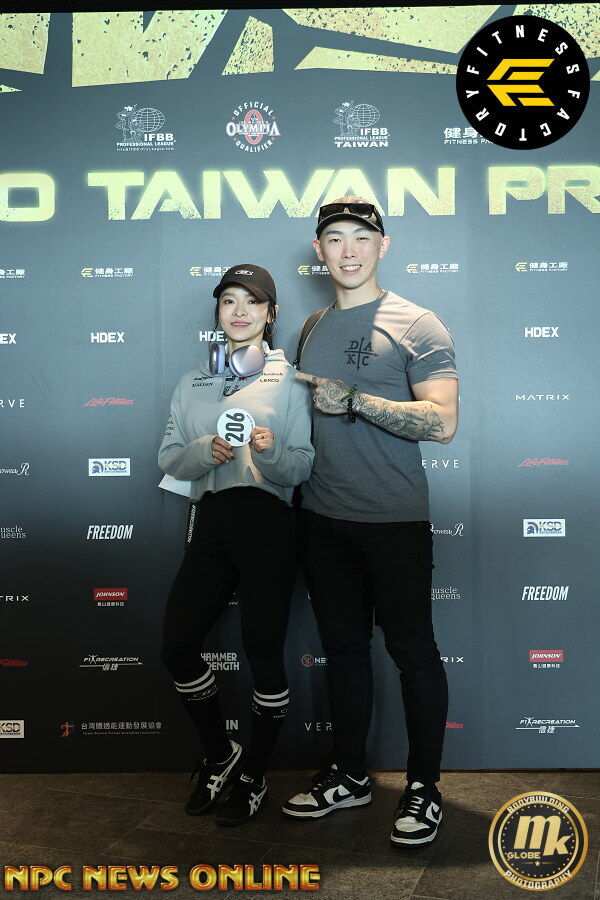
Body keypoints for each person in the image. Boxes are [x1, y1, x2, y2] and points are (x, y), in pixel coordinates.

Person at [282, 198, 458, 846]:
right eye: (335, 238)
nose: (348, 250)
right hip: (322, 520)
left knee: (414, 654)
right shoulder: (311, 326)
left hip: (393, 520)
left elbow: (443, 422)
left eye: (361, 237)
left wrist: (356, 399)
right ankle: (350, 775)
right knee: (345, 652)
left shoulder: (419, 324)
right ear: (319, 249)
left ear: (383, 246)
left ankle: (424, 788)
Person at [159, 264, 313, 826]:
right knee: (177, 646)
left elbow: (301, 467)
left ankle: (254, 775)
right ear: (218, 311)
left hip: (269, 526)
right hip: (212, 522)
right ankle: (221, 754)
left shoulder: (290, 380)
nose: (240, 311)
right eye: (229, 300)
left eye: (253, 301)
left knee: (264, 655)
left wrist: (269, 452)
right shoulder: (192, 381)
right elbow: (169, 458)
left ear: (271, 314)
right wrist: (204, 451)